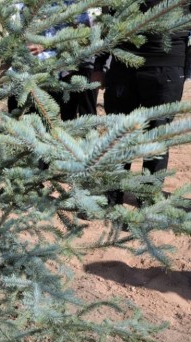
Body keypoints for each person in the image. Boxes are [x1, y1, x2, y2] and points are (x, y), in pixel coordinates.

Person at [94, 0, 189, 206]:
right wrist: (99, 66)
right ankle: (111, 197)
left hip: (166, 69)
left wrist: (185, 68)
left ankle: (148, 201)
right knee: (118, 134)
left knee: (156, 136)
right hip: (123, 67)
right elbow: (107, 23)